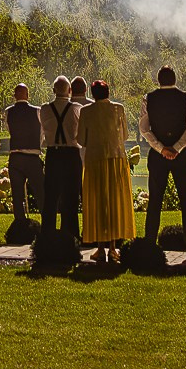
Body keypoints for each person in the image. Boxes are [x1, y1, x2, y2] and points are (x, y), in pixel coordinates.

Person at [141, 64, 186, 257]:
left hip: (158, 157)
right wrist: (177, 148)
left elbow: (144, 129)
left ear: (159, 80)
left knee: (155, 200)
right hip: (181, 156)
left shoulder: (148, 98)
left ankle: (149, 243)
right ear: (175, 79)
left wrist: (160, 148)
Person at [78, 78, 135, 258]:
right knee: (115, 201)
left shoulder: (86, 111)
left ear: (92, 95)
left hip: (95, 160)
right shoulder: (119, 109)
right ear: (108, 92)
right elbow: (124, 135)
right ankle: (113, 247)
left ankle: (100, 248)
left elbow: (81, 140)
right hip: (116, 158)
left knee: (97, 202)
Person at [37, 76, 82, 249]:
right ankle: (70, 238)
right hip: (71, 154)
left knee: (51, 198)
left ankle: (46, 237)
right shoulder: (77, 108)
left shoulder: (45, 109)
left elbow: (43, 131)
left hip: (53, 154)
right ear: (70, 91)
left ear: (54, 90)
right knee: (71, 198)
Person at [3, 83, 43, 221]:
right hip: (32, 156)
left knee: (17, 195)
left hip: (16, 157)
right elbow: (42, 133)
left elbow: (8, 129)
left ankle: (20, 224)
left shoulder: (8, 111)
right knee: (40, 193)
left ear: (15, 95)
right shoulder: (37, 111)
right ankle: (46, 224)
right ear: (27, 94)